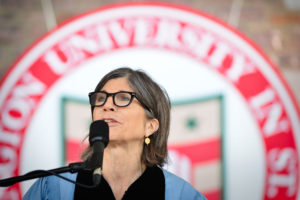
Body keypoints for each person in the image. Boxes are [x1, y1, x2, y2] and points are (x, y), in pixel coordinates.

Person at [23, 67, 207, 200]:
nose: (107, 105)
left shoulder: (180, 194)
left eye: (123, 99)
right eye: (101, 99)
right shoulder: (55, 187)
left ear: (150, 126)